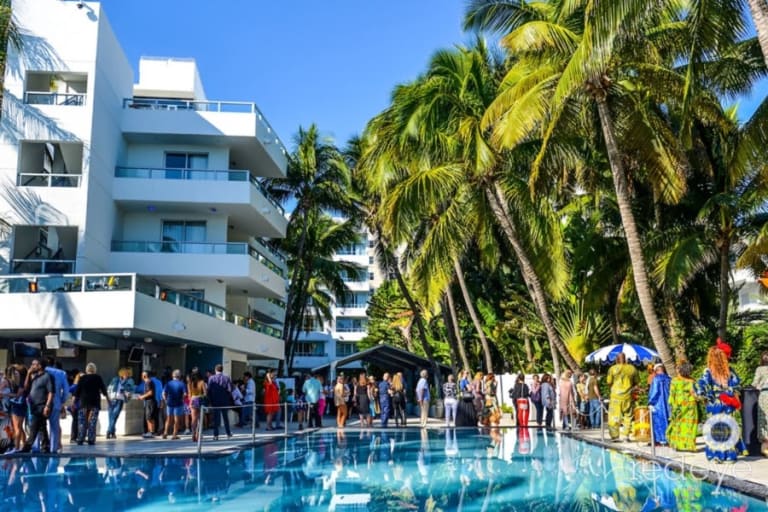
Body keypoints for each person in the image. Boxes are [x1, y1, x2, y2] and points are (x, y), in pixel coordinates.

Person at [695, 344, 747, 462]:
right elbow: (737, 386)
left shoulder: (708, 371)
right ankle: (729, 455)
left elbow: (700, 386)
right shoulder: (730, 371)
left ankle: (716, 455)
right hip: (727, 402)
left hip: (714, 403)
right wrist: (729, 392)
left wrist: (705, 396)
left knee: (714, 428)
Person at [21, 359, 54, 453]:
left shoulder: (47, 376)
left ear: (40, 366)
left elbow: (51, 392)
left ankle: (27, 447)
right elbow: (26, 387)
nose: (32, 366)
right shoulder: (34, 376)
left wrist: (47, 406)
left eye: (34, 364)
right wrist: (28, 374)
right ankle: (45, 447)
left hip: (42, 405)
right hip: (34, 405)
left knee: (34, 427)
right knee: (42, 427)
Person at [606, 353, 639, 441]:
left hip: (615, 397)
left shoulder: (612, 369)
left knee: (614, 417)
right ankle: (625, 435)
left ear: (617, 359)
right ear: (626, 359)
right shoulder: (632, 369)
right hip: (628, 396)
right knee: (628, 416)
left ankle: (615, 436)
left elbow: (609, 382)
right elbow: (636, 382)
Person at [74, 362, 108, 446]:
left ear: (87, 369)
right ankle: (91, 439)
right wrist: (108, 400)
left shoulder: (82, 378)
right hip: (95, 402)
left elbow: (77, 391)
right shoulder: (98, 378)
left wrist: (74, 402)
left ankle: (80, 439)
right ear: (94, 369)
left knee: (82, 421)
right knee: (92, 421)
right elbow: (104, 390)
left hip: (84, 402)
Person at [667, 361, 698, 452]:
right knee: (690, 425)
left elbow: (672, 395)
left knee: (678, 424)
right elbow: (695, 394)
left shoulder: (675, 381)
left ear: (680, 370)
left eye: (677, 368)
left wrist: (671, 405)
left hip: (678, 405)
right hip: (690, 405)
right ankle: (689, 445)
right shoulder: (692, 381)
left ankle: (677, 444)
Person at [206, 364, 234, 440]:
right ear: (222, 370)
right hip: (224, 401)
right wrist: (226, 396)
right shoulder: (226, 378)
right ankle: (228, 433)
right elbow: (230, 389)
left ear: (215, 370)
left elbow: (209, 390)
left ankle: (216, 435)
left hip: (215, 401)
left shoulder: (211, 378)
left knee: (215, 418)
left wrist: (210, 400)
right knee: (225, 418)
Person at [106, 367, 134, 440]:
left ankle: (109, 431)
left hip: (120, 400)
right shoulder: (115, 379)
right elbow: (109, 388)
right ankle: (112, 432)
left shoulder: (130, 381)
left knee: (114, 416)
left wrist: (125, 392)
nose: (126, 375)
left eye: (128, 374)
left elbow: (131, 391)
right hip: (112, 399)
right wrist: (108, 396)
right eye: (125, 373)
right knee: (111, 416)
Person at [648, 363, 671, 446]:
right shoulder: (669, 379)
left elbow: (654, 392)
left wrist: (651, 402)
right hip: (668, 403)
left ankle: (660, 439)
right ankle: (668, 439)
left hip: (658, 404)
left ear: (656, 370)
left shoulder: (656, 379)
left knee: (658, 422)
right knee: (668, 420)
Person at [162, 369, 187, 439]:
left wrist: (165, 400)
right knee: (177, 419)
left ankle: (165, 433)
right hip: (178, 403)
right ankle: (174, 434)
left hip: (169, 403)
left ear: (173, 376)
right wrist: (182, 398)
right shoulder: (182, 384)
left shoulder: (168, 383)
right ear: (179, 376)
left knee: (168, 418)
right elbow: (185, 394)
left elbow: (163, 393)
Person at [752, 351, 768, 457]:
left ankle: (764, 448)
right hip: (764, 395)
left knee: (764, 420)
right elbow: (755, 383)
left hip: (764, 394)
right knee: (764, 419)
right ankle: (765, 447)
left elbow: (755, 383)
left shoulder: (759, 369)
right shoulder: (759, 369)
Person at [187, 368, 206, 442]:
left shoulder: (189, 383)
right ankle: (198, 435)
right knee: (200, 419)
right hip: (200, 400)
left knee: (193, 419)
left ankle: (193, 434)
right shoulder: (202, 382)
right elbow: (205, 393)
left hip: (192, 400)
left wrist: (190, 401)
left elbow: (189, 394)